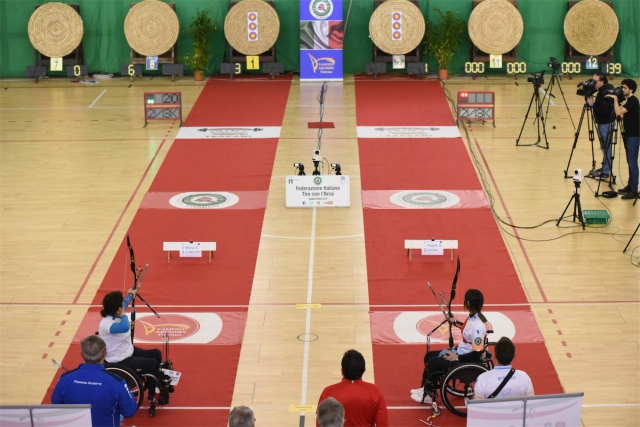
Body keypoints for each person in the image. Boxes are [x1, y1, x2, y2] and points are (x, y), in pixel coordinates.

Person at [411, 289, 488, 404]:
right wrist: (455, 321)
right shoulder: (476, 316)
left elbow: (477, 352)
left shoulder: (478, 326)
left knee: (433, 362)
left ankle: (429, 394)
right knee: (428, 356)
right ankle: (425, 388)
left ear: (467, 303)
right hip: (461, 351)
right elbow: (467, 330)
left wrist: (457, 358)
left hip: (465, 357)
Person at [52, 335, 137, 427]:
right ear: (104, 353)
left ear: (82, 354)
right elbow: (130, 411)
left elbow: (56, 405)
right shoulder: (117, 382)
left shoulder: (64, 379)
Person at [99, 288, 165, 404]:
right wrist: (124, 314)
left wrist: (130, 294)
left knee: (156, 353)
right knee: (152, 363)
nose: (122, 307)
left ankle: (154, 382)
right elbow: (125, 326)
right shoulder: (107, 324)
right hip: (119, 359)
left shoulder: (115, 313)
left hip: (127, 351)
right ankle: (151, 394)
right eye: (120, 307)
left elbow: (124, 304)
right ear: (118, 310)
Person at [317, 349, 389, 427]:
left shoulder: (328, 393)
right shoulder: (375, 392)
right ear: (364, 370)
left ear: (342, 371)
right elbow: (383, 424)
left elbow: (321, 424)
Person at [607, 78, 639, 200]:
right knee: (630, 162)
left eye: (624, 88)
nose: (622, 90)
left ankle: (634, 190)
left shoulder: (633, 101)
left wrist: (615, 99)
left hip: (634, 135)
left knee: (633, 162)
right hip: (629, 134)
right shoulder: (629, 101)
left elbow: (619, 112)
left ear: (631, 90)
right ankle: (630, 186)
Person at [587, 72, 616, 181]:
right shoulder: (607, 88)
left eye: (595, 81)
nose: (593, 83)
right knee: (605, 146)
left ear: (602, 82)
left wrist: (592, 104)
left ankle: (605, 173)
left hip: (605, 123)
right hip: (606, 122)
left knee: (606, 147)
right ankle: (605, 167)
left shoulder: (603, 92)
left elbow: (603, 110)